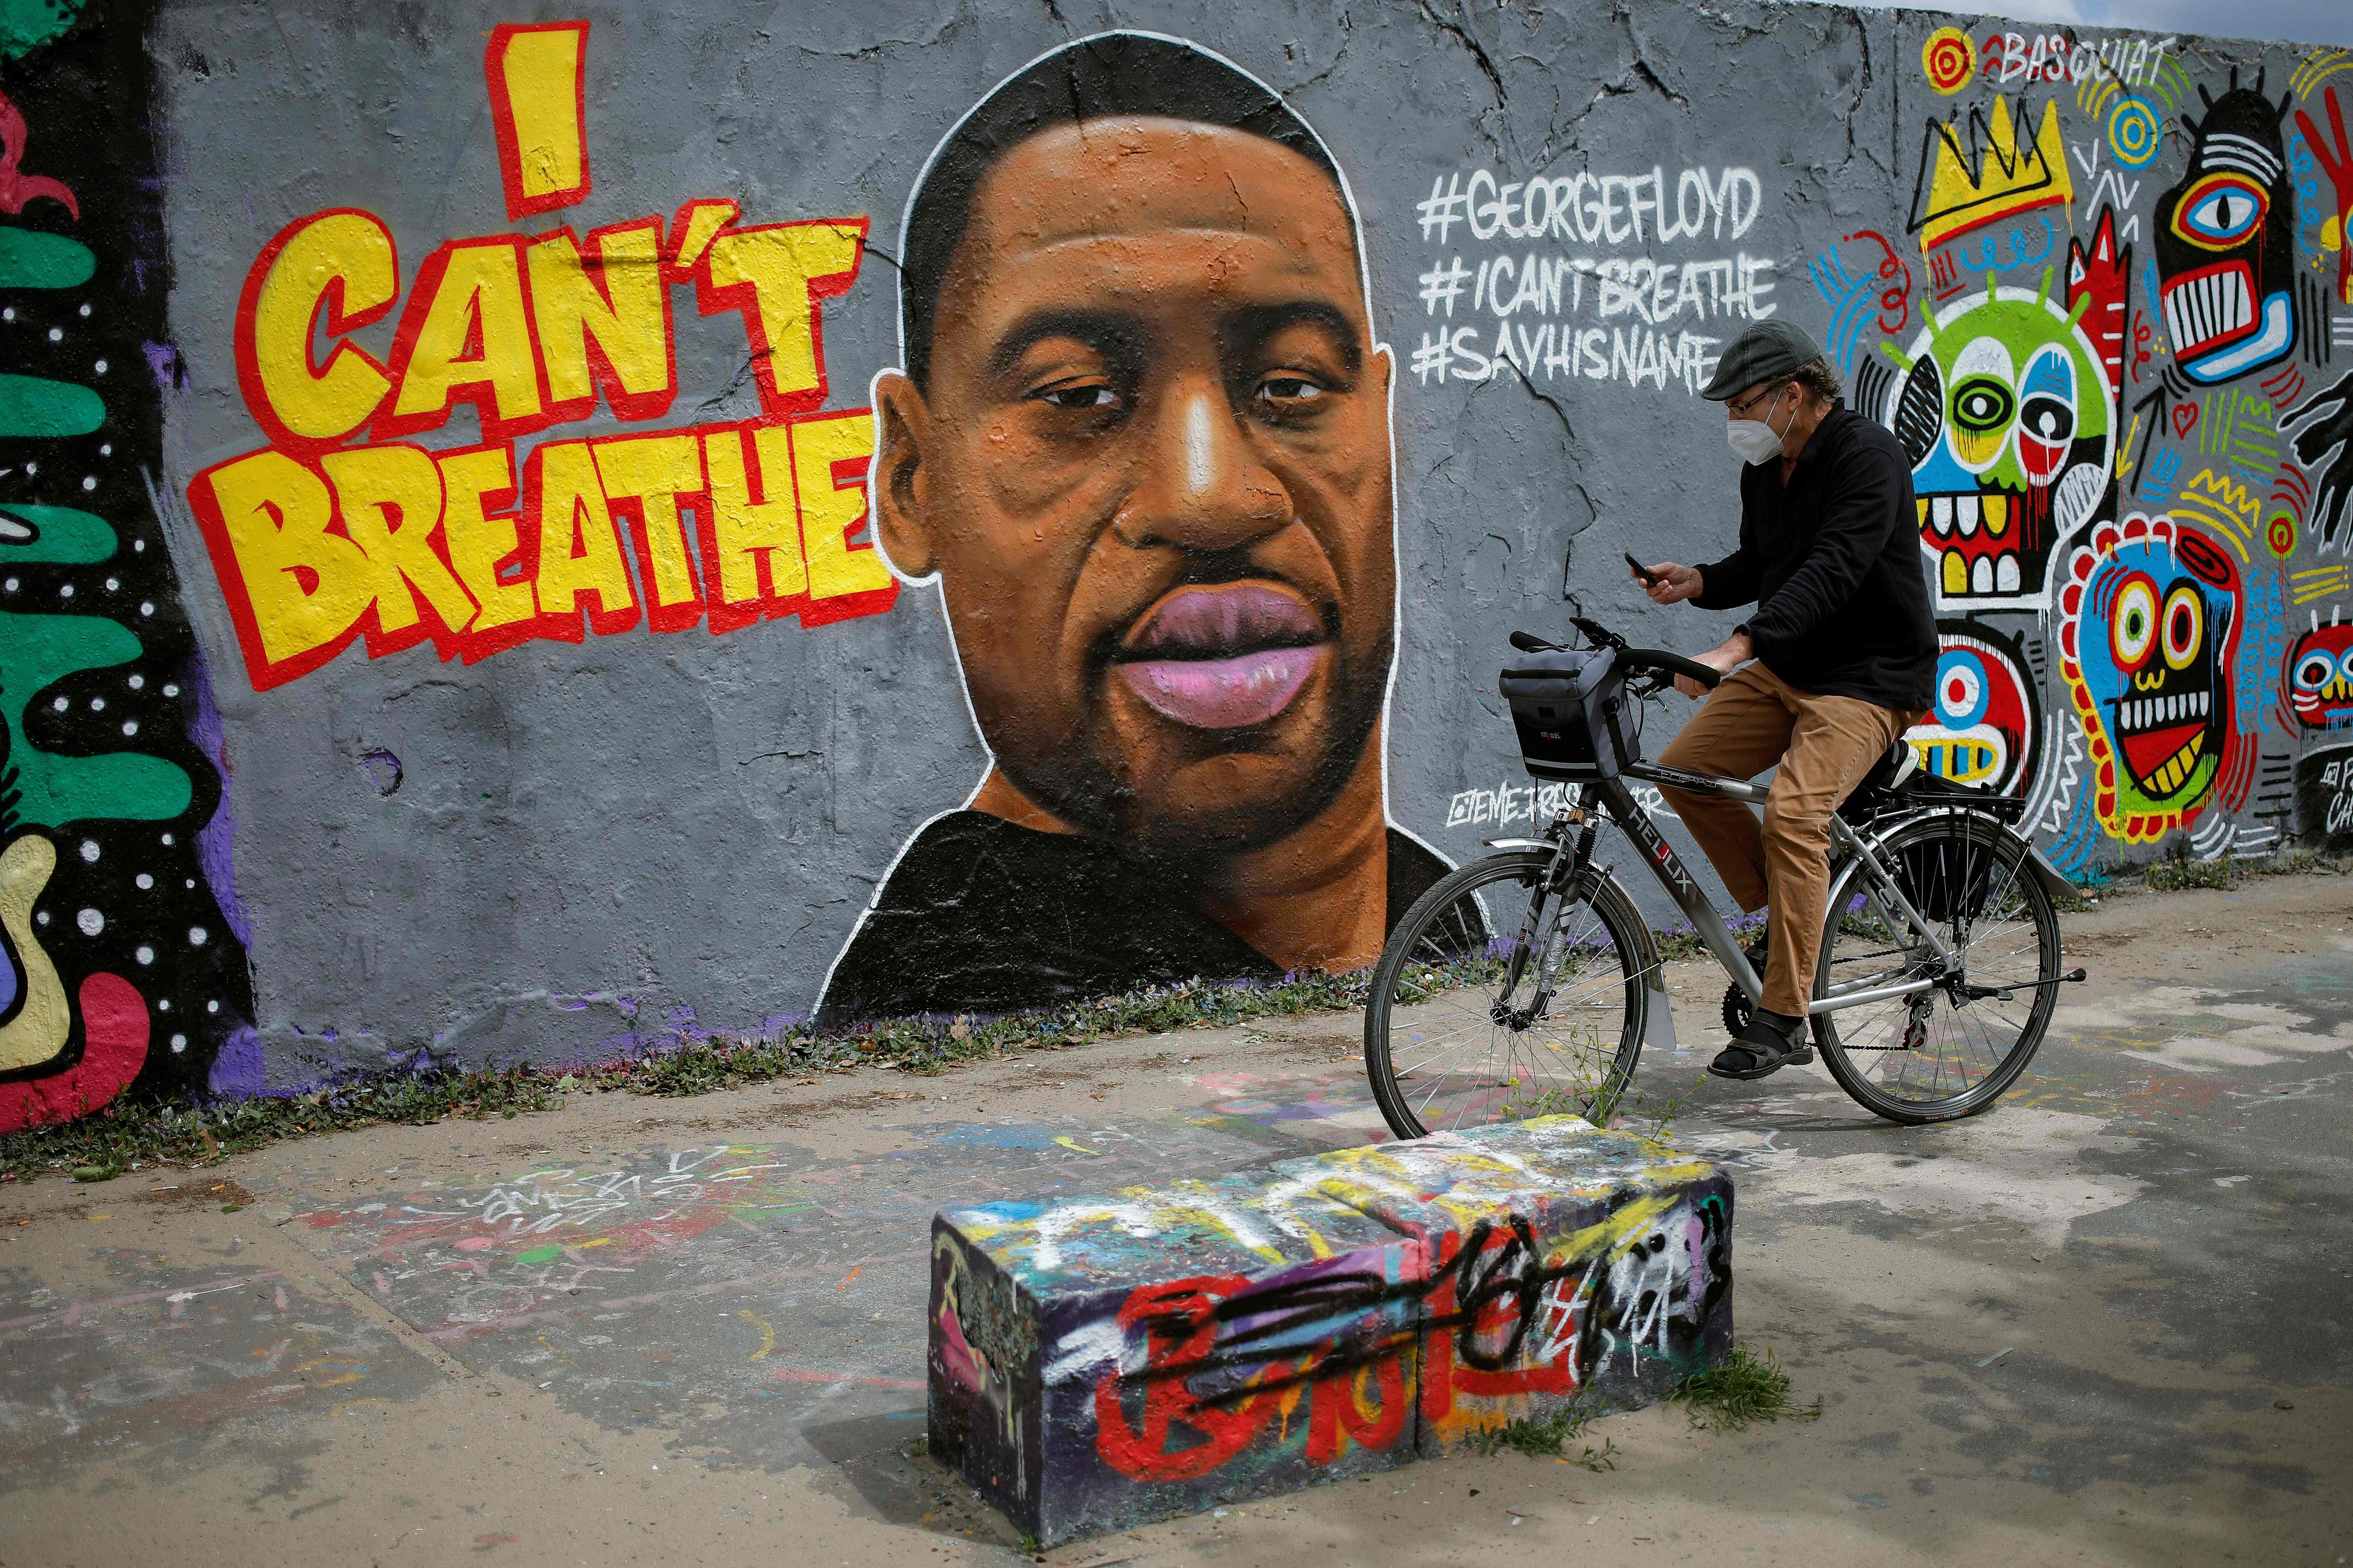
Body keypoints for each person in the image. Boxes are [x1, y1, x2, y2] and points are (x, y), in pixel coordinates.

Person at [814, 34, 1458, 1027]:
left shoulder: (1439, 915)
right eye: (1075, 396)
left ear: (1381, 428)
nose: (1211, 498)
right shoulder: (962, 1013)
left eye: (1291, 386)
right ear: (911, 485)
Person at [1635, 319, 1936, 1081]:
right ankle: (1790, 927)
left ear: (1793, 395)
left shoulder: (1870, 457)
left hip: (1870, 676)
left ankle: (1785, 1015)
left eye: (1742, 405)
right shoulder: (1767, 470)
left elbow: (1833, 570)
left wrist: (1736, 649)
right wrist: (1699, 580)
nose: (1734, 422)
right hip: (1793, 664)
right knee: (1685, 772)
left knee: (1795, 815)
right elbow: (1767, 565)